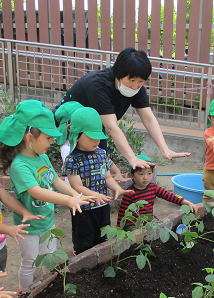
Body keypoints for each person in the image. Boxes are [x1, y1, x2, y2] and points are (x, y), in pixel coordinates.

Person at [0, 100, 93, 290]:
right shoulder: (20, 165)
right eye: (48, 138)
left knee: (49, 256)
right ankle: (25, 296)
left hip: (47, 220)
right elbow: (37, 192)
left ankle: (47, 288)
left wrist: (75, 195)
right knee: (30, 262)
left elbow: (56, 181)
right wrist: (68, 200)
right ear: (30, 138)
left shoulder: (41, 156)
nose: (51, 143)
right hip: (29, 226)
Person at [56, 47, 190, 171]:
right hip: (70, 125)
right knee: (81, 167)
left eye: (141, 81)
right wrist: (132, 158)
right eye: (131, 80)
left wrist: (164, 149)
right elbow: (112, 127)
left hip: (95, 125)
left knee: (100, 163)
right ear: (118, 73)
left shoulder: (137, 88)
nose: (135, 86)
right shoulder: (98, 85)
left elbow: (148, 119)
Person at [62, 107, 134, 255]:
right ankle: (81, 258)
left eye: (98, 136)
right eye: (91, 137)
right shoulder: (72, 160)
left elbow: (107, 177)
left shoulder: (101, 154)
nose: (97, 141)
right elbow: (76, 186)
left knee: (102, 238)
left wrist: (117, 188)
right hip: (83, 208)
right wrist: (96, 195)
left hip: (102, 206)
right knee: (84, 241)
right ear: (77, 135)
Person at [54, 101, 129, 184]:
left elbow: (104, 158)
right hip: (77, 192)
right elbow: (75, 174)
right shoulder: (68, 149)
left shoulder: (89, 143)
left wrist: (116, 172)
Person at [117, 155, 198, 230]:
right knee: (137, 235)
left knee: (160, 229)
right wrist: (118, 229)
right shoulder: (129, 193)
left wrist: (187, 203)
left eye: (149, 173)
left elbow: (170, 196)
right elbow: (122, 213)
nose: (146, 177)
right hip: (133, 224)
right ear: (131, 175)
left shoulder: (154, 188)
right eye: (141, 174)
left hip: (149, 221)